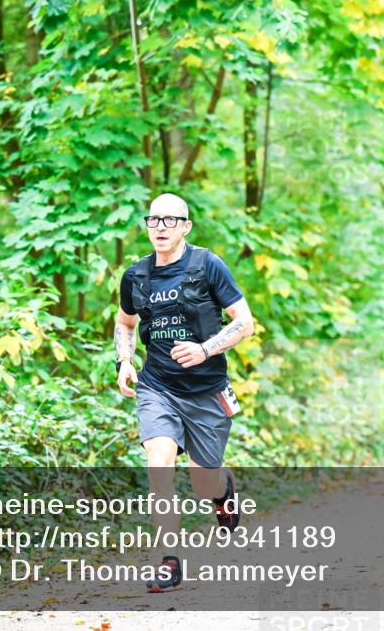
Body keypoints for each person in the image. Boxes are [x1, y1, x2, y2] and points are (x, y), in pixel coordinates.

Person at [115, 193, 255, 591]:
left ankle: (222, 489)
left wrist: (205, 348)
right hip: (157, 385)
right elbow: (125, 323)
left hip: (206, 389)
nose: (160, 227)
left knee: (203, 483)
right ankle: (169, 562)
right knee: (159, 467)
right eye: (153, 220)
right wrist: (125, 361)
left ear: (185, 226)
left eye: (170, 220)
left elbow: (245, 322)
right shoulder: (136, 276)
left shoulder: (207, 265)